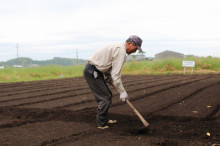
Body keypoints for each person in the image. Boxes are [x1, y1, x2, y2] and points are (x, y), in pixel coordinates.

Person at [83, 35, 143, 129]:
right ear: (129, 43)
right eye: (135, 48)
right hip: (92, 71)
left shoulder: (119, 47)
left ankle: (104, 119)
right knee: (105, 97)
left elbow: (106, 63)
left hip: (96, 70)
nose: (134, 52)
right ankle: (101, 123)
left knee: (107, 95)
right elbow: (116, 75)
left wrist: (108, 75)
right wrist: (122, 91)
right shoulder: (121, 51)